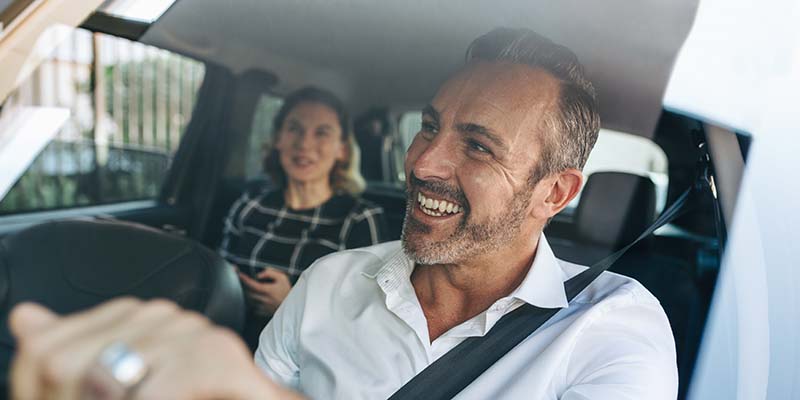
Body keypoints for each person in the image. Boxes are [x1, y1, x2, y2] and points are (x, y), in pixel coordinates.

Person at [8, 28, 678, 400]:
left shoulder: (610, 327)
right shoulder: (329, 282)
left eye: (476, 145)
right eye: (429, 127)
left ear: (554, 194)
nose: (422, 164)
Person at [219, 86, 386, 350]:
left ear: (342, 149)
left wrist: (291, 304)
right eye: (294, 129)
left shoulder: (360, 218)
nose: (304, 144)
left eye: (322, 132)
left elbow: (365, 320)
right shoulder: (250, 203)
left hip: (304, 358)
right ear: (278, 140)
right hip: (229, 340)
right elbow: (221, 274)